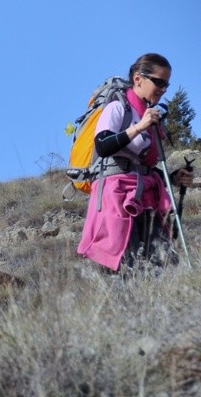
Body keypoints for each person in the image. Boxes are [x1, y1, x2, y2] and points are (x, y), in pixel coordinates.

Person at [78, 53, 194, 273]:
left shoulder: (151, 117)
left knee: (163, 263)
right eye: (158, 82)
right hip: (116, 197)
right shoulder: (117, 108)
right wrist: (138, 127)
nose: (162, 89)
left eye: (166, 85)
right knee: (127, 263)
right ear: (138, 78)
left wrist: (173, 178)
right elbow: (103, 146)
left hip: (146, 196)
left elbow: (144, 168)